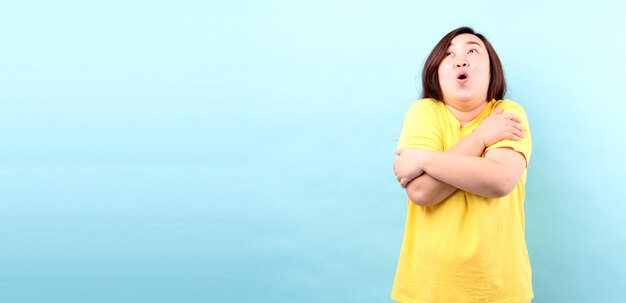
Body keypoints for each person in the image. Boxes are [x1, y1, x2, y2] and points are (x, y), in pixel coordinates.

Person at [391, 27, 533, 303]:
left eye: (472, 51)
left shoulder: (508, 114)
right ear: (436, 72)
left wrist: (422, 158)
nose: (461, 59)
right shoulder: (424, 112)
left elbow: (499, 180)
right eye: (449, 54)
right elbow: (421, 192)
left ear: (492, 71)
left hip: (499, 288)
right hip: (428, 287)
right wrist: (481, 139)